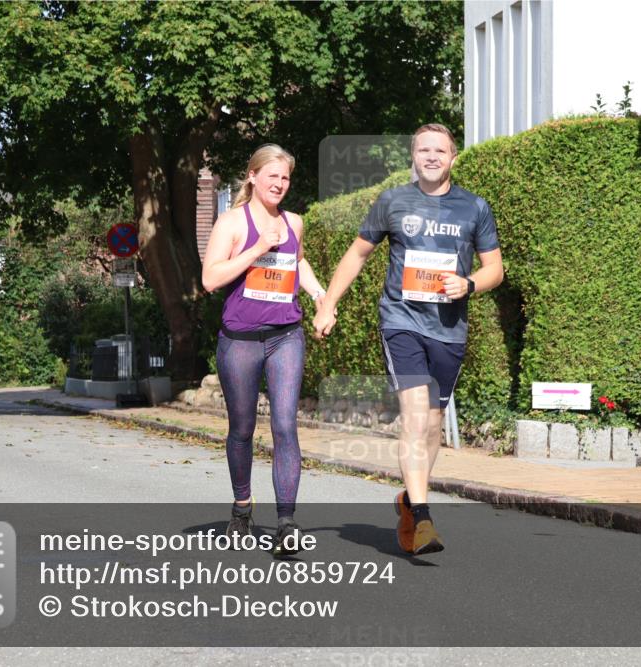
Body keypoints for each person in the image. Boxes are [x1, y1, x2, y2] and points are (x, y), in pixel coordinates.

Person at [313, 124, 503, 555]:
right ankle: (422, 516)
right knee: (416, 416)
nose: (432, 157)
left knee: (432, 425)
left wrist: (469, 284)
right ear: (413, 157)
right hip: (401, 321)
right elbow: (358, 253)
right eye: (423, 150)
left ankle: (408, 501)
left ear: (453, 157)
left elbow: (495, 268)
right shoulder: (393, 200)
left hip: (449, 329)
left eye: (440, 151)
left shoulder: (475, 207)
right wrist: (329, 305)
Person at [202, 144, 327, 556]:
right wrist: (257, 249)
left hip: (285, 336)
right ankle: (242, 508)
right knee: (242, 428)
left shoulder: (294, 222)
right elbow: (210, 279)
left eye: (285, 177)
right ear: (252, 176)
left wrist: (321, 297)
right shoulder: (231, 222)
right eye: (272, 175)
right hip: (240, 339)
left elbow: (298, 263)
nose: (279, 184)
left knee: (285, 425)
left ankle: (286, 522)